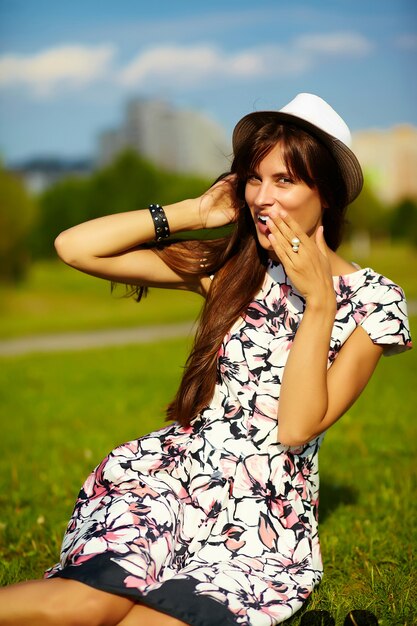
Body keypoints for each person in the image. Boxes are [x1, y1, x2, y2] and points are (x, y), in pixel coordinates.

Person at [0, 93, 412, 626]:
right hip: (167, 481)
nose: (263, 198)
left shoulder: (375, 302)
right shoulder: (233, 267)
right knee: (81, 605)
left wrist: (320, 304)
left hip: (260, 522)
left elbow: (295, 428)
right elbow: (75, 247)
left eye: (284, 180)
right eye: (254, 178)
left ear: (326, 194)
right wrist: (194, 211)